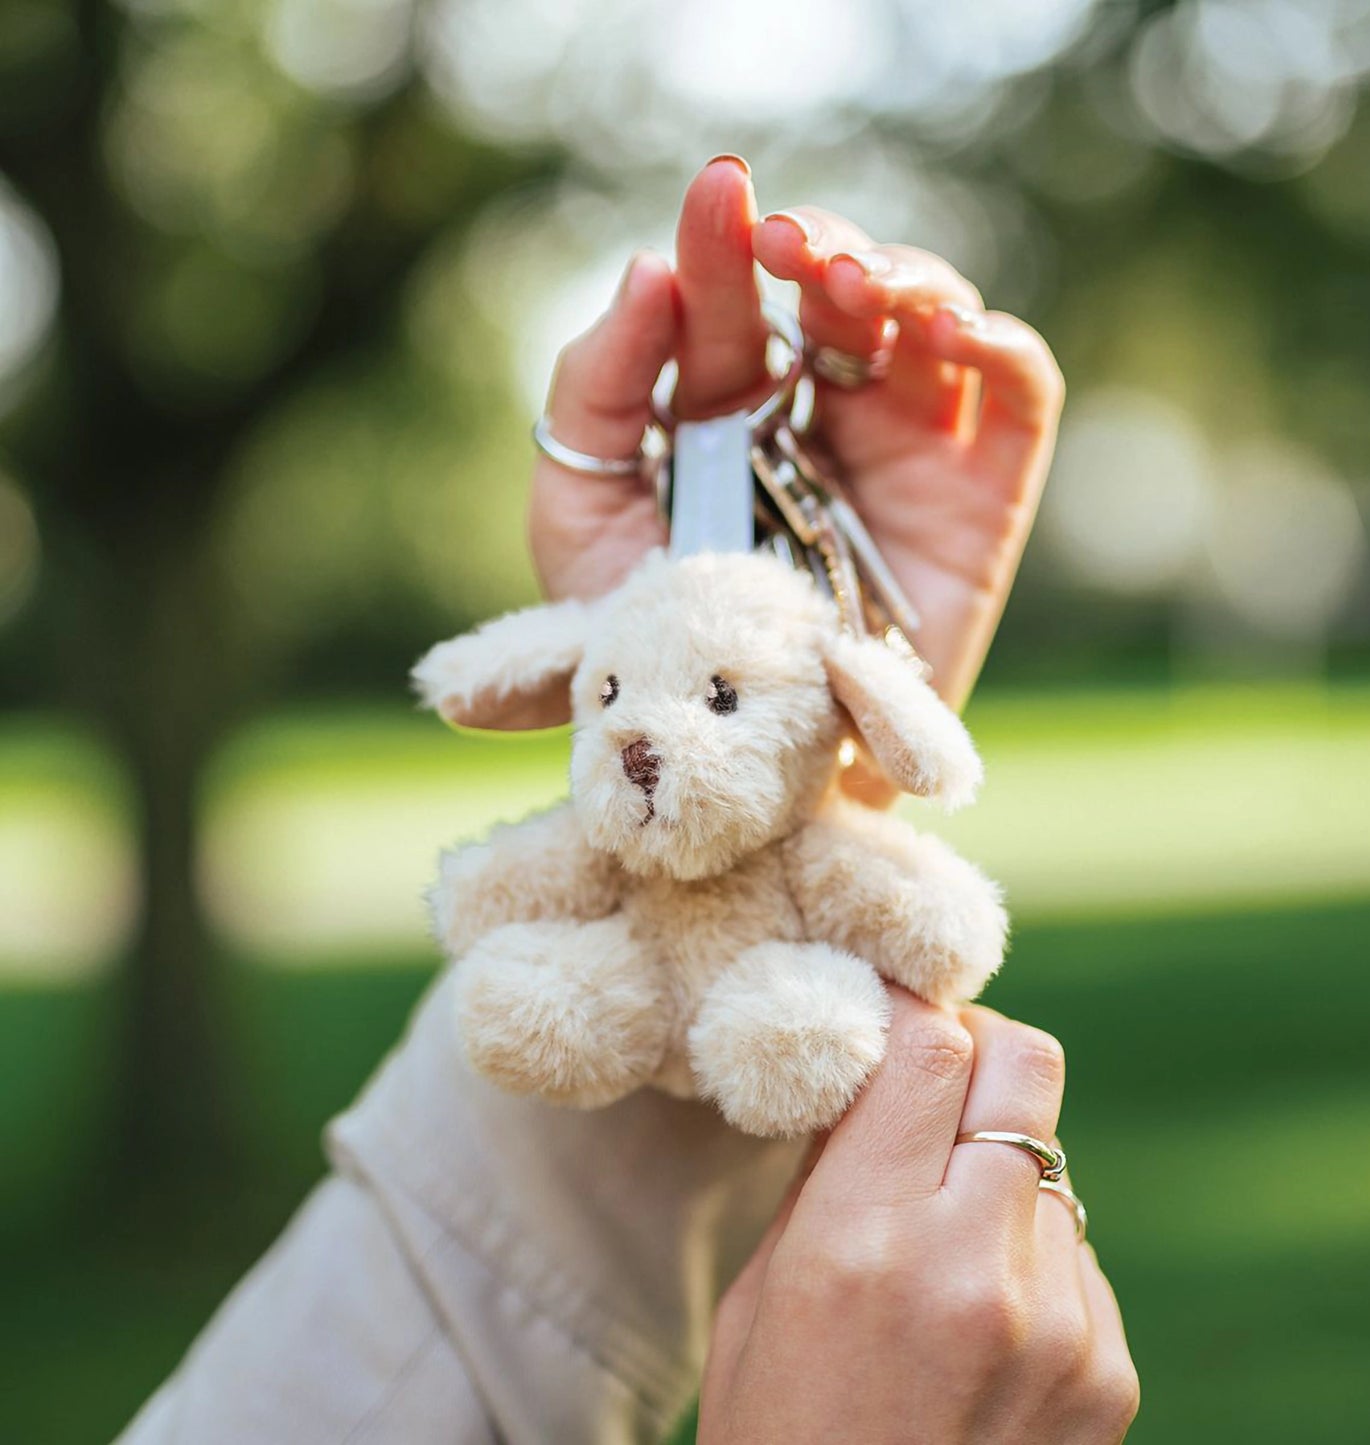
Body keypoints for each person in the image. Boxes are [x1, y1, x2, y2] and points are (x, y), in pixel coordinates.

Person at [119, 157, 1138, 1444]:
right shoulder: (604, 807)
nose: (643, 741)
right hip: (626, 987)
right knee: (539, 982)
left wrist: (844, 720)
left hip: (734, 1018)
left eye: (709, 700)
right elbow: (503, 888)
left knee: (789, 1021)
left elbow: (362, 1366)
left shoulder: (821, 743)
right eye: (611, 697)